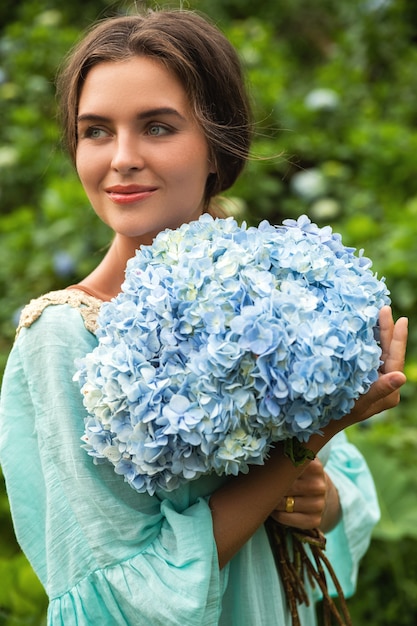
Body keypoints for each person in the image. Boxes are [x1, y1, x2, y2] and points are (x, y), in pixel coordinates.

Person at [0, 9, 408, 626]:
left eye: (158, 127)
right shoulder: (62, 336)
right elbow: (122, 601)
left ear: (219, 146)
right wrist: (304, 446)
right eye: (96, 131)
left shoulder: (275, 291)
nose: (123, 158)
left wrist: (314, 498)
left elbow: (335, 502)